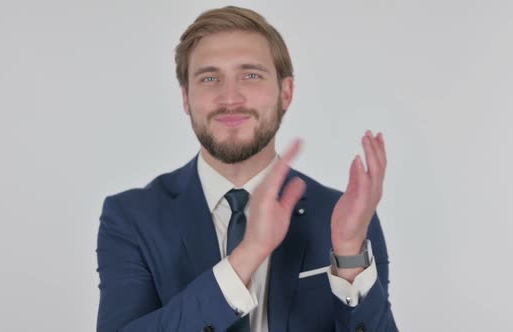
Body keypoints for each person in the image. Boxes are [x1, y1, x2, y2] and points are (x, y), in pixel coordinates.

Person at [96, 6, 398, 332]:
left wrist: (350, 256)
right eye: (210, 78)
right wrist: (249, 253)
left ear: (286, 93)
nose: (230, 98)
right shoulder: (132, 217)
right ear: (186, 97)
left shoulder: (343, 215)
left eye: (250, 75)